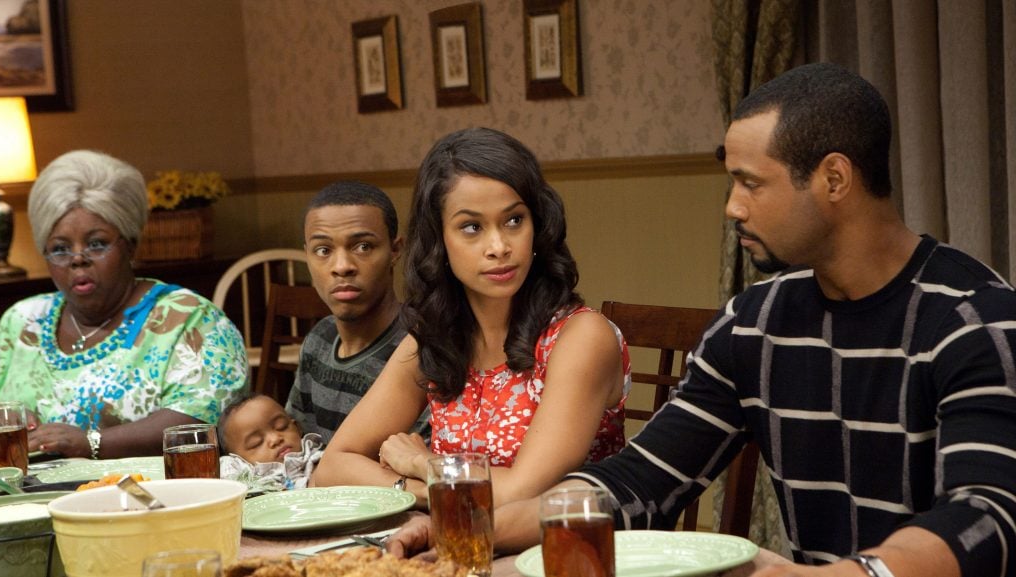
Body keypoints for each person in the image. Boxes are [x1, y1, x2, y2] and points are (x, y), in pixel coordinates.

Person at [387, 64, 1016, 577]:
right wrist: (472, 526)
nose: (731, 207)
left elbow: (986, 515)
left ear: (833, 178)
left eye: (750, 183)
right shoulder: (753, 324)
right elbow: (639, 481)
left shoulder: (973, 319)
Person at [312, 127, 631, 509]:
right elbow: (332, 467)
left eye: (514, 220)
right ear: (439, 241)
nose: (499, 247)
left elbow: (518, 493)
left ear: (537, 225)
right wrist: (421, 489)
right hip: (457, 537)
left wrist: (424, 464)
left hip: (566, 542)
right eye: (472, 227)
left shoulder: (581, 337)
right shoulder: (436, 338)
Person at [0, 150, 248, 459]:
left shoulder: (191, 319)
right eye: (59, 248)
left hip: (150, 487)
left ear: (131, 245)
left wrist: (91, 442)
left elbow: (200, 419)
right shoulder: (22, 320)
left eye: (96, 243)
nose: (77, 259)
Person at [284, 180, 430, 443]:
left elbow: (418, 461)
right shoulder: (319, 338)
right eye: (323, 250)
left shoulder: (422, 348)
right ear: (307, 256)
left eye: (363, 246)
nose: (342, 266)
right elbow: (298, 447)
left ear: (395, 250)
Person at [218, 392, 323, 491]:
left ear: (297, 428)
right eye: (256, 442)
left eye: (281, 426)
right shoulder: (237, 470)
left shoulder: (315, 458)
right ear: (238, 459)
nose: (275, 439)